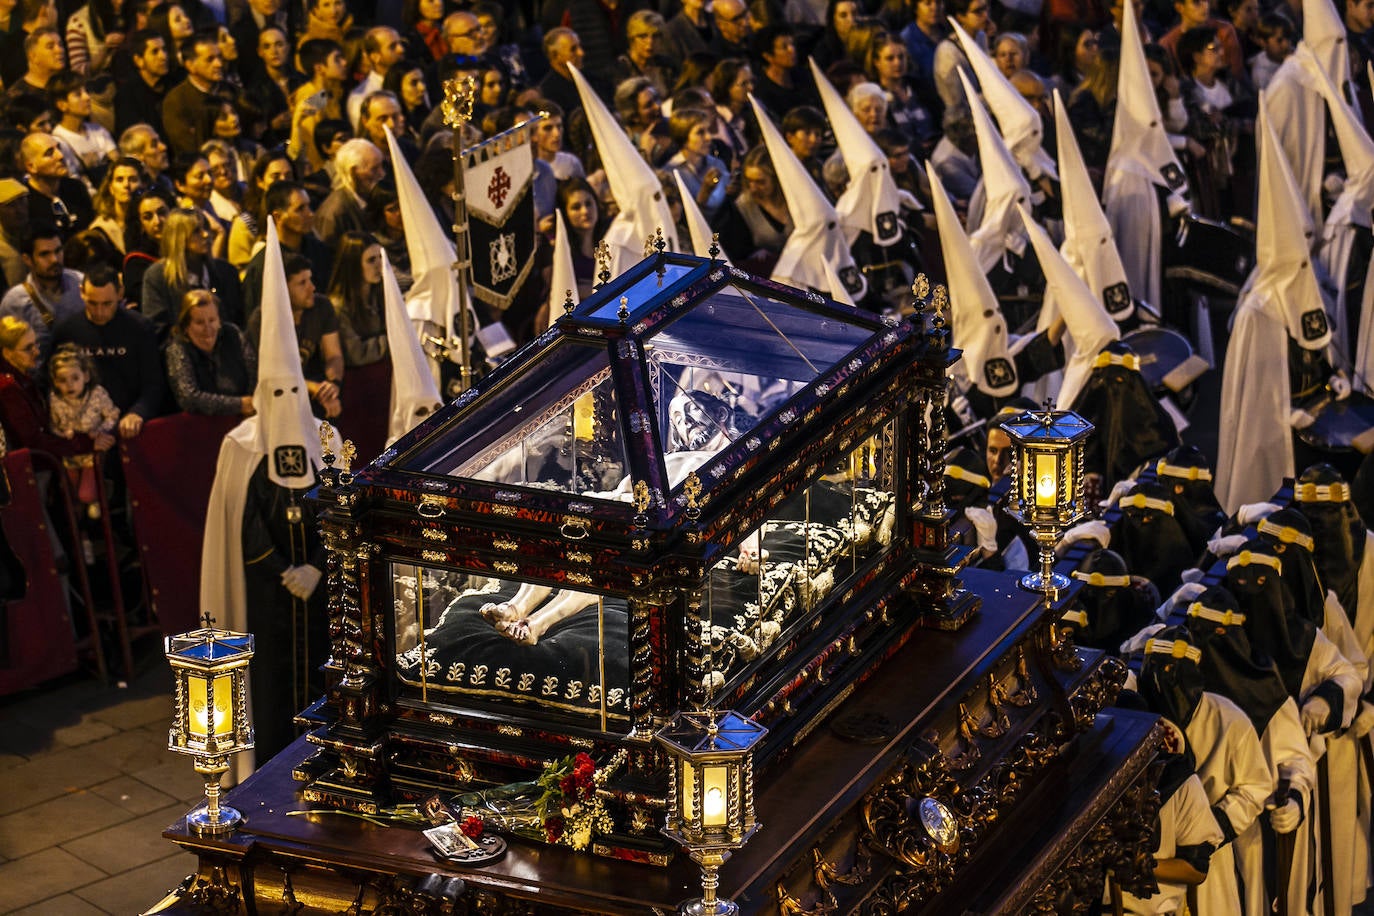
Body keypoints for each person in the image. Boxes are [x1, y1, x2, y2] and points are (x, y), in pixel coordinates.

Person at [51, 263, 163, 439]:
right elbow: (53, 383)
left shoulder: (140, 328)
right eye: (92, 303)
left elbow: (154, 382)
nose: (99, 312)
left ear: (120, 293)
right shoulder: (67, 331)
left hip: (130, 426)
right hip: (84, 430)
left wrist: (139, 412)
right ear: (82, 292)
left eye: (107, 304)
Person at [0, 315, 110, 458]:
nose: (37, 352)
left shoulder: (23, 377)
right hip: (38, 468)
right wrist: (85, 444)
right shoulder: (8, 389)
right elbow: (34, 442)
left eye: (36, 344)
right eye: (28, 348)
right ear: (7, 353)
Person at [248, 252, 342, 419]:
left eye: (310, 279)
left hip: (311, 388)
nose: (312, 287)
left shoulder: (321, 306)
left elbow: (333, 355)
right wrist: (317, 389)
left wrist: (332, 385)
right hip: (277, 398)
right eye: (302, 283)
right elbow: (276, 374)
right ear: (282, 288)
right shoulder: (263, 319)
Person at [141, 207, 242, 337]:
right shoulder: (157, 276)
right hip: (179, 353)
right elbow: (158, 330)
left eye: (206, 228)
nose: (206, 234)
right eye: (196, 231)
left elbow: (238, 322)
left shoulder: (226, 271)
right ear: (178, 238)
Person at [240, 180, 332, 321]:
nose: (310, 214)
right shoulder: (262, 266)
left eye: (309, 206)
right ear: (278, 217)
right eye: (300, 209)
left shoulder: (320, 251)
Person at [47, 341, 118, 515]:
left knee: (85, 494)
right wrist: (63, 433)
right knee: (70, 496)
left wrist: (100, 431)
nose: (69, 385)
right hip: (70, 454)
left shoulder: (97, 394)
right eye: (62, 380)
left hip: (91, 453)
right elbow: (52, 425)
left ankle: (99, 494)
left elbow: (112, 415)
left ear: (85, 376)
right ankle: (83, 531)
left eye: (75, 378)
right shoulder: (55, 399)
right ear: (55, 382)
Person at [164, 287, 255, 416]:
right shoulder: (177, 348)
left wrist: (251, 402)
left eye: (212, 320)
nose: (208, 328)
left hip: (245, 419)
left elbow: (254, 372)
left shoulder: (233, 334)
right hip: (199, 427)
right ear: (186, 326)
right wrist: (239, 405)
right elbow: (189, 398)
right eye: (199, 322)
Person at [0, 226, 85, 360]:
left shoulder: (81, 284)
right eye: (44, 254)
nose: (54, 259)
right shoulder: (14, 302)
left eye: (58, 251)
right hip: (36, 377)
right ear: (27, 259)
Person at [161, 30, 229, 156]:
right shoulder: (176, 102)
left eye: (219, 57)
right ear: (190, 65)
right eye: (210, 59)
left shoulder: (231, 92)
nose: (218, 64)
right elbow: (187, 149)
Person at [325, 230, 386, 367]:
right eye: (371, 260)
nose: (379, 265)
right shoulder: (338, 306)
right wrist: (396, 338)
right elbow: (356, 354)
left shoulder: (379, 294)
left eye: (381, 257)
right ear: (353, 264)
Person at [314, 137, 385, 247]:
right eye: (374, 169)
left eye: (381, 166)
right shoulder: (334, 213)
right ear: (353, 172)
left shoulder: (373, 197)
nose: (382, 174)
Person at [120, 185, 172, 307]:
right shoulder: (136, 262)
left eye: (162, 213)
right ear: (141, 224)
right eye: (148, 217)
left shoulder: (187, 246)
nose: (157, 221)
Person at [114, 30, 169, 137]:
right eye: (155, 52)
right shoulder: (127, 95)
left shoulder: (175, 83)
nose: (163, 56)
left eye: (164, 49)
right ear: (139, 60)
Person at [87, 156, 143, 254]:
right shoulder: (100, 229)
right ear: (111, 188)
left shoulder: (151, 219)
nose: (126, 185)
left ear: (143, 185)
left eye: (133, 179)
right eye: (119, 179)